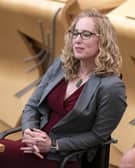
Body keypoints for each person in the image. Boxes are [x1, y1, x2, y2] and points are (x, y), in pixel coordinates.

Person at [0, 8, 127, 168]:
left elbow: (98, 136)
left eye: (86, 34)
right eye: (75, 33)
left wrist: (53, 145)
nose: (77, 40)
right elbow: (32, 106)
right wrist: (29, 132)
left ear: (103, 41)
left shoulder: (112, 87)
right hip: (32, 147)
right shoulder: (61, 64)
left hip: (63, 157)